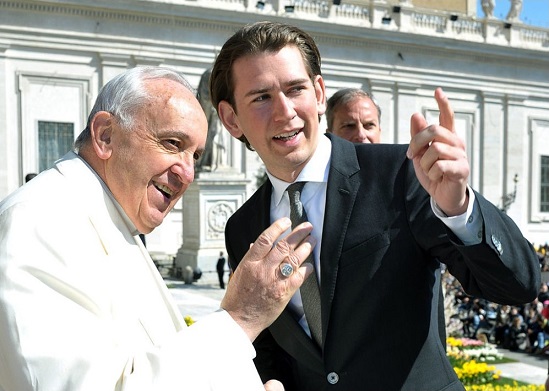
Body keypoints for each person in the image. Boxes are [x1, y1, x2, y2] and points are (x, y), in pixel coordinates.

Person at [209, 21, 541, 390]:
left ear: (319, 93)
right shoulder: (242, 228)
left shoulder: (401, 174)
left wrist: (460, 209)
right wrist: (270, 380)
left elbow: (518, 286)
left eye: (295, 89)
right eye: (261, 97)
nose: (285, 111)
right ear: (231, 119)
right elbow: (267, 341)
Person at [0, 66, 317, 391]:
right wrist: (239, 319)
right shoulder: (38, 224)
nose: (188, 173)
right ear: (105, 135)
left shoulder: (108, 219)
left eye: (195, 155)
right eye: (171, 143)